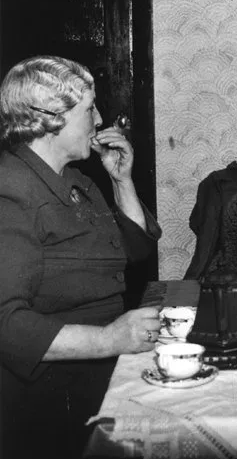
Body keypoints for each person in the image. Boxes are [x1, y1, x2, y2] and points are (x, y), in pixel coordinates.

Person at [0, 56, 163, 459]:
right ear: (51, 117)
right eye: (89, 109)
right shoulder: (11, 192)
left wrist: (121, 180)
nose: (101, 118)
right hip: (47, 396)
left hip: (96, 367)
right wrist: (110, 338)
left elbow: (135, 252)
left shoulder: (76, 181)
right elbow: (6, 324)